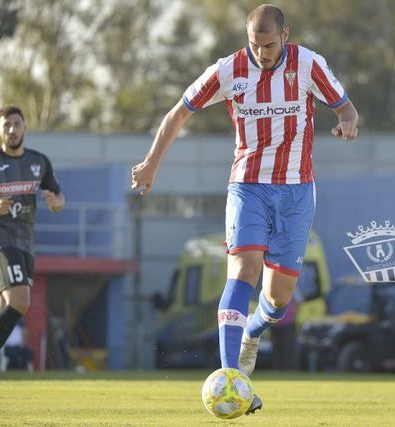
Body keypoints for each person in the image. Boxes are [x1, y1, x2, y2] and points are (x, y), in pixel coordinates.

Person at [131, 4, 358, 415]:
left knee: (279, 298)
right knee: (244, 270)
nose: (262, 53)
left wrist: (347, 123)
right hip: (247, 187)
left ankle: (253, 331)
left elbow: (346, 106)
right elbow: (179, 112)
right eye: (255, 44)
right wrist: (151, 163)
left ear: (284, 35)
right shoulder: (228, 70)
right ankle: (231, 377)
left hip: (296, 192)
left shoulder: (308, 64)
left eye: (269, 45)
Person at [0, 105, 65, 356]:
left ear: (25, 127)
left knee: (4, 305)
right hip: (3, 243)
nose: (12, 130)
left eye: (16, 124)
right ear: (0, 131)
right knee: (20, 301)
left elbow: (59, 198)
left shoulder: (39, 162)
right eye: (6, 125)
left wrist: (55, 203)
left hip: (26, 244)